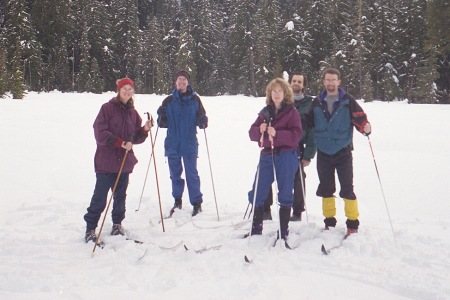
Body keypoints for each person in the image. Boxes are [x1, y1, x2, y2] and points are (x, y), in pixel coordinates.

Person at [84, 78, 152, 244]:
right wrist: (120, 142)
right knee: (100, 197)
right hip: (106, 162)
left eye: (130, 89)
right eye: (124, 89)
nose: (127, 92)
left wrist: (144, 130)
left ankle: (117, 224)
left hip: (124, 162)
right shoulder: (107, 109)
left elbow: (135, 137)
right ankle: (91, 228)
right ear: (118, 90)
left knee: (120, 196)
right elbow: (99, 133)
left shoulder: (132, 113)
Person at [306, 68, 371, 235]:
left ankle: (352, 223)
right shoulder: (317, 102)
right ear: (324, 82)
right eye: (327, 80)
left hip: (343, 152)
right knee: (326, 188)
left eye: (333, 80)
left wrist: (365, 127)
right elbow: (307, 123)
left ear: (339, 82)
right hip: (323, 153)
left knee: (347, 189)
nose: (330, 83)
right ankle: (329, 222)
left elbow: (359, 117)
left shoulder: (348, 101)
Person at [248, 78, 302, 240]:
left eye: (279, 91)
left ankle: (283, 230)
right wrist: (260, 130)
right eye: (274, 91)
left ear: (285, 93)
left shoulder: (292, 112)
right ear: (269, 94)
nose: (276, 94)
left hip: (286, 155)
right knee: (259, 189)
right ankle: (256, 227)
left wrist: (277, 134)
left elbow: (296, 136)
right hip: (267, 155)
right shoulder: (265, 112)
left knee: (285, 191)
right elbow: (252, 133)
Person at [263, 71, 317, 222]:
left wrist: (308, 154)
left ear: (304, 85)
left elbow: (313, 131)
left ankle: (297, 211)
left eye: (299, 82)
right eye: (294, 81)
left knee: (298, 178)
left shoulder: (310, 104)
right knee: (267, 175)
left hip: (297, 146)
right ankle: (265, 209)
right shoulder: (279, 101)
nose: (296, 84)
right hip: (275, 145)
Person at [157, 69, 208, 217]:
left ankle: (196, 203)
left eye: (184, 80)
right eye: (179, 79)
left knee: (192, 173)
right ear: (175, 82)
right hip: (172, 143)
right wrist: (161, 117)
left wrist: (204, 121)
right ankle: (177, 200)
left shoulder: (195, 100)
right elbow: (163, 123)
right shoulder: (168, 101)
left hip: (189, 143)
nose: (181, 82)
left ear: (188, 82)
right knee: (175, 175)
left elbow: (201, 118)